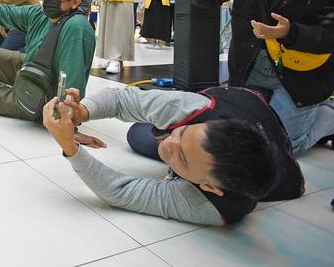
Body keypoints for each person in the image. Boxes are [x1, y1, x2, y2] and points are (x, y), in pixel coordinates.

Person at [43, 84, 303, 226]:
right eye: (181, 133)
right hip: (243, 98)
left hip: (277, 133)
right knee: (138, 135)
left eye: (183, 158)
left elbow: (119, 191)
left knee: (302, 136)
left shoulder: (212, 206)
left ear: (209, 186)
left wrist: (70, 147)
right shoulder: (193, 109)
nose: (167, 144)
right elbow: (120, 99)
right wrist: (83, 112)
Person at [189, 0, 334, 154]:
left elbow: (329, 36)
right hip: (249, 71)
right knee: (242, 140)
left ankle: (328, 113)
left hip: (300, 77)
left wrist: (290, 33)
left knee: (285, 147)